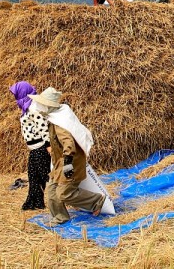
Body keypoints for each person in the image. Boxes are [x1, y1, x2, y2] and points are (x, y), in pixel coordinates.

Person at [28, 87, 105, 226]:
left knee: (64, 193)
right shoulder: (55, 118)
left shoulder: (60, 123)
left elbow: (68, 143)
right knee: (51, 191)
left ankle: (96, 200)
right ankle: (60, 216)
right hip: (59, 162)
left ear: (49, 105)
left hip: (70, 162)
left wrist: (68, 162)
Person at [10, 81, 51, 211]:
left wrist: (48, 145)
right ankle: (35, 202)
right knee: (33, 177)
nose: (14, 96)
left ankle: (68, 198)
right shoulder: (26, 107)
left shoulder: (34, 107)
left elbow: (43, 127)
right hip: (34, 149)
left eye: (16, 93)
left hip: (40, 147)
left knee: (47, 176)